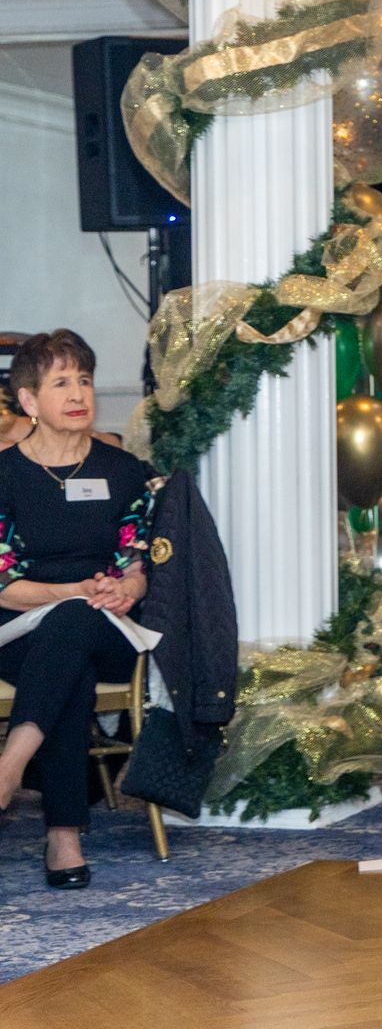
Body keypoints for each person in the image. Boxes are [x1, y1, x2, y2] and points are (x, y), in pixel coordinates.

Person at [0, 330, 159, 889]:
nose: (78, 394)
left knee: (75, 628)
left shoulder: (124, 470)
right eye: (61, 383)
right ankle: (63, 835)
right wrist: (69, 592)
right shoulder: (3, 475)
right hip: (20, 626)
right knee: (70, 661)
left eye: (85, 380)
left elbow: (138, 560)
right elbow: (4, 586)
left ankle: (9, 767)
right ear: (28, 400)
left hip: (110, 624)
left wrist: (129, 587)